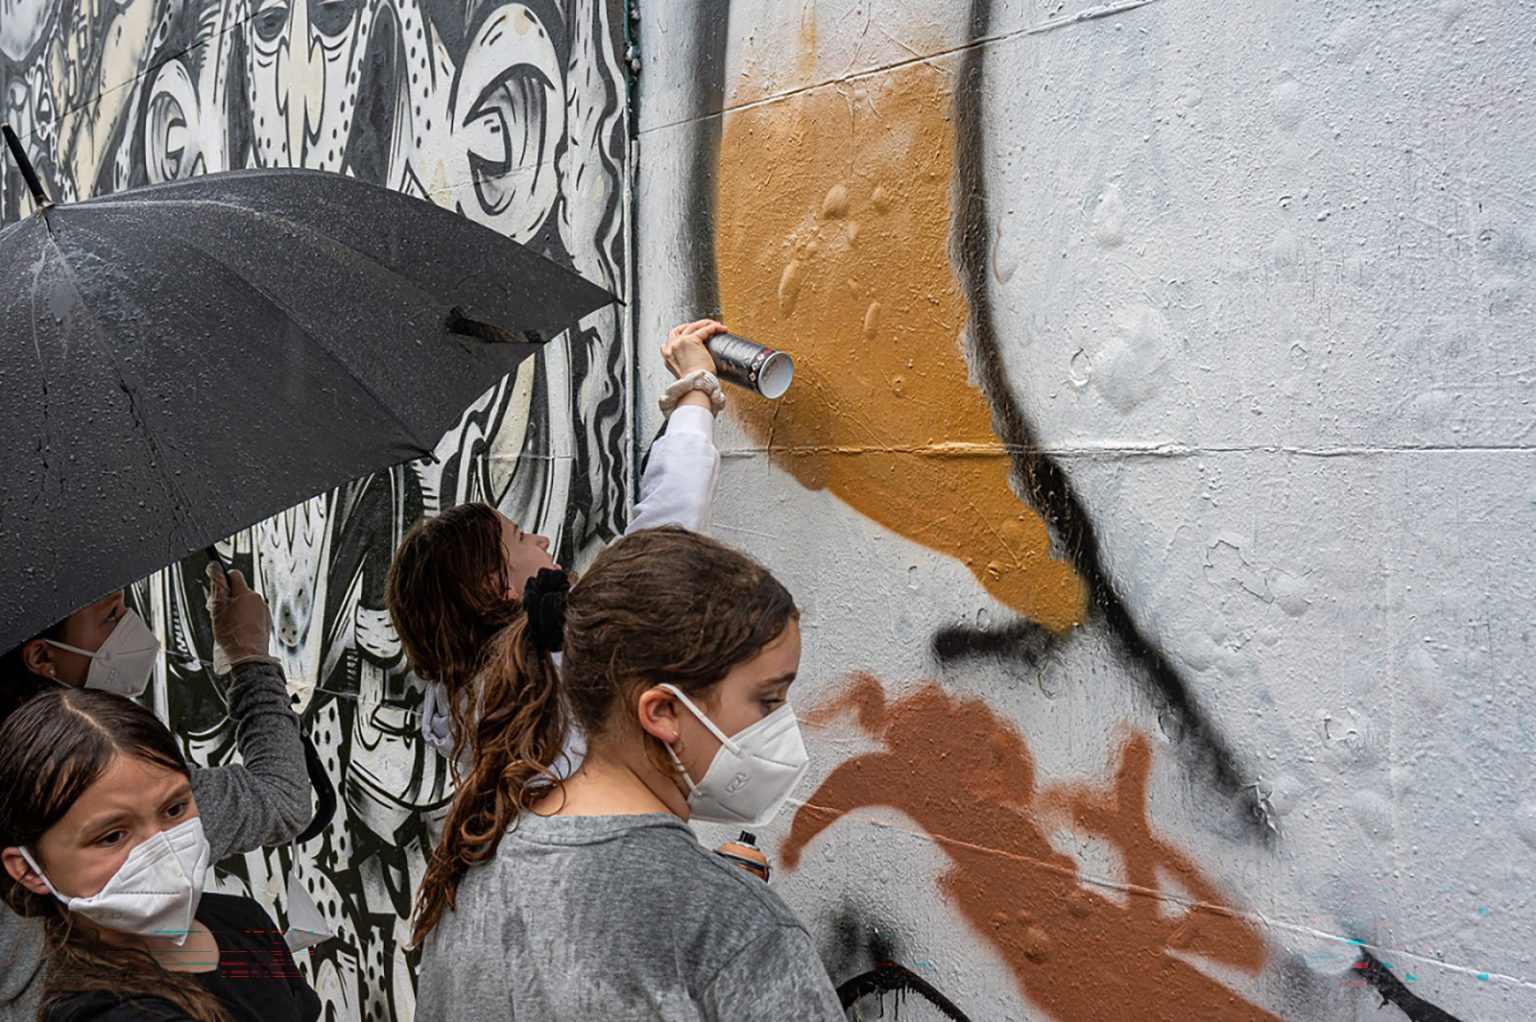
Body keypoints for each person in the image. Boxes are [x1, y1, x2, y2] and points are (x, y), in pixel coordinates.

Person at [411, 526, 844, 1021]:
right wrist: (709, 896)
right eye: (767, 699)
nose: (784, 724)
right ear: (661, 711)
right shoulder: (740, 931)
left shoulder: (471, 872)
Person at [387, 318, 730, 771]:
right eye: (521, 537)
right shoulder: (550, 673)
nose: (542, 538)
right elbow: (664, 535)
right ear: (497, 587)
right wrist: (696, 387)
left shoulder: (464, 703)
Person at [0, 569, 311, 1022]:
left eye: (173, 809)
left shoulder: (240, 926)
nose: (158, 846)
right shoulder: (93, 780)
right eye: (110, 616)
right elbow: (281, 796)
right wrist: (248, 658)